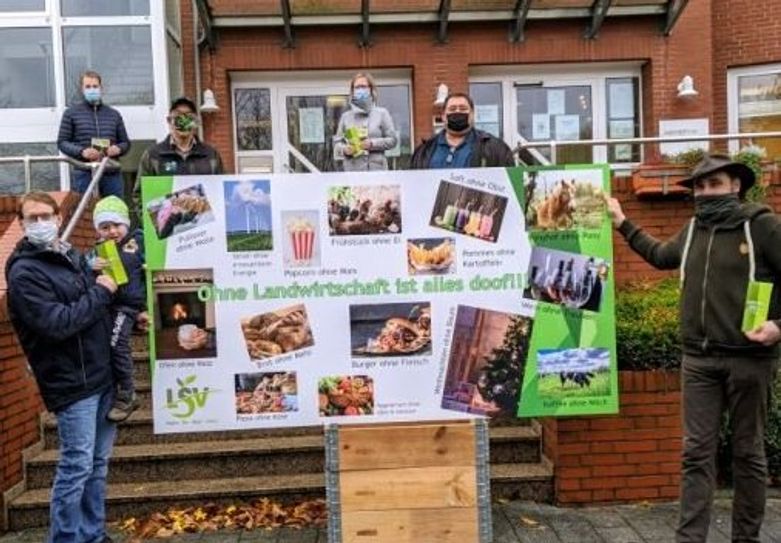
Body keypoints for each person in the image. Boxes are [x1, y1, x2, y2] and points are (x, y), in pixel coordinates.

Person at [604, 153, 781, 543]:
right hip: (698, 360)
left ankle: (746, 538)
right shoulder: (693, 229)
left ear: (736, 185)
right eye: (699, 186)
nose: (705, 192)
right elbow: (661, 256)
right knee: (695, 454)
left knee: (747, 453)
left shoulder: (762, 226)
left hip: (749, 359)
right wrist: (623, 223)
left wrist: (778, 327)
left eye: (713, 184)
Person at [5, 191, 118, 543]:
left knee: (96, 467)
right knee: (76, 467)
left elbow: (89, 313)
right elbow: (57, 323)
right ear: (21, 224)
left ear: (58, 218)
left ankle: (93, 534)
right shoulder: (25, 273)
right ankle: (67, 539)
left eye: (45, 216)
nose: (40, 223)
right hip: (71, 384)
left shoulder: (68, 256)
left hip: (100, 378)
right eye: (32, 218)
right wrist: (102, 292)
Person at [89, 196, 145, 422]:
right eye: (105, 227)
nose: (112, 231)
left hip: (128, 306)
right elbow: (84, 274)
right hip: (107, 306)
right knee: (106, 346)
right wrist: (90, 265)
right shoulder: (98, 251)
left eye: (117, 225)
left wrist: (145, 308)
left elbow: (154, 274)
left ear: (126, 224)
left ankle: (128, 392)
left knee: (116, 343)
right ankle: (113, 389)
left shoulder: (139, 241)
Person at [133, 97, 224, 223]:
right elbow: (140, 195)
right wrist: (151, 228)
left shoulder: (211, 155)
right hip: (167, 231)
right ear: (169, 121)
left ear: (195, 122)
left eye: (188, 117)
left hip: (204, 230)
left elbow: (220, 193)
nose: (183, 121)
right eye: (178, 117)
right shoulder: (153, 155)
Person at [57, 70, 130, 198]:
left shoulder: (114, 114)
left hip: (111, 172)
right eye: (88, 87)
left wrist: (118, 149)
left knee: (115, 212)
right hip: (84, 172)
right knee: (86, 214)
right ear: (82, 89)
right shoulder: (71, 113)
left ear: (101, 88)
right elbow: (62, 142)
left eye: (95, 86)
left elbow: (126, 143)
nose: (92, 89)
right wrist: (82, 151)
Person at [410, 92, 515, 169]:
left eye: (463, 109)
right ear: (443, 116)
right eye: (452, 109)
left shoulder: (495, 148)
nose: (457, 112)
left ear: (472, 114)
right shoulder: (423, 151)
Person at [333, 73, 398, 171]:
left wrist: (372, 144)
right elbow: (337, 144)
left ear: (371, 89)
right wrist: (345, 149)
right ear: (352, 91)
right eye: (357, 87)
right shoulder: (346, 117)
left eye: (363, 86)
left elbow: (393, 140)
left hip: (376, 171)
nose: (360, 90)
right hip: (352, 172)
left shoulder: (382, 113)